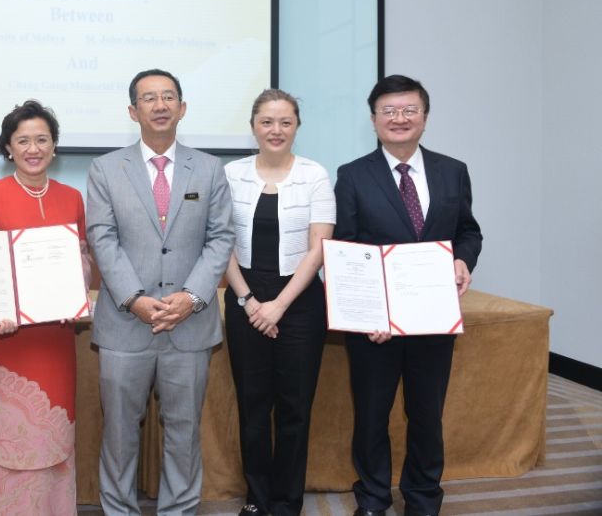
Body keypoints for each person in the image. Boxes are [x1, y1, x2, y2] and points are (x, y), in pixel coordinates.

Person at [87, 69, 234, 516]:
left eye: (168, 96)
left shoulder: (209, 168)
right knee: (118, 434)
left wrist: (192, 297)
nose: (160, 105)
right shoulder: (105, 168)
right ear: (133, 111)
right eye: (149, 98)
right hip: (124, 324)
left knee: (184, 433)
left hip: (189, 326)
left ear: (183, 108)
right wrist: (133, 298)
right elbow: (102, 237)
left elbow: (221, 237)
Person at [334, 75, 482, 516]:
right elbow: (346, 250)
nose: (399, 119)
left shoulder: (452, 170)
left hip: (433, 318)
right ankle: (374, 499)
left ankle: (422, 497)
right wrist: (367, 314)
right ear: (374, 119)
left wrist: (462, 260)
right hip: (374, 326)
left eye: (409, 110)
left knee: (427, 416)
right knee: (372, 416)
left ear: (425, 117)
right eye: (389, 111)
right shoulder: (353, 175)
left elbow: (468, 231)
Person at [0, 100, 90, 515]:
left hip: (55, 341)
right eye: (23, 141)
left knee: (53, 442)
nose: (33, 148)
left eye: (42, 139)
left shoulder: (73, 198)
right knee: (8, 445)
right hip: (5, 343)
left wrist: (80, 295)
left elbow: (84, 262)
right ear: (8, 148)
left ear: (54, 147)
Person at [223, 89, 335, 516]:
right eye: (267, 122)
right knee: (253, 405)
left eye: (285, 122)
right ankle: (257, 497)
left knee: (294, 408)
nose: (276, 130)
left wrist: (279, 306)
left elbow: (318, 249)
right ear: (253, 125)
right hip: (244, 295)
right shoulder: (230, 174)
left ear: (297, 127)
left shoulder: (314, 175)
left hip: (301, 302)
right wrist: (250, 301)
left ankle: (287, 502)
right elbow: (222, 243)